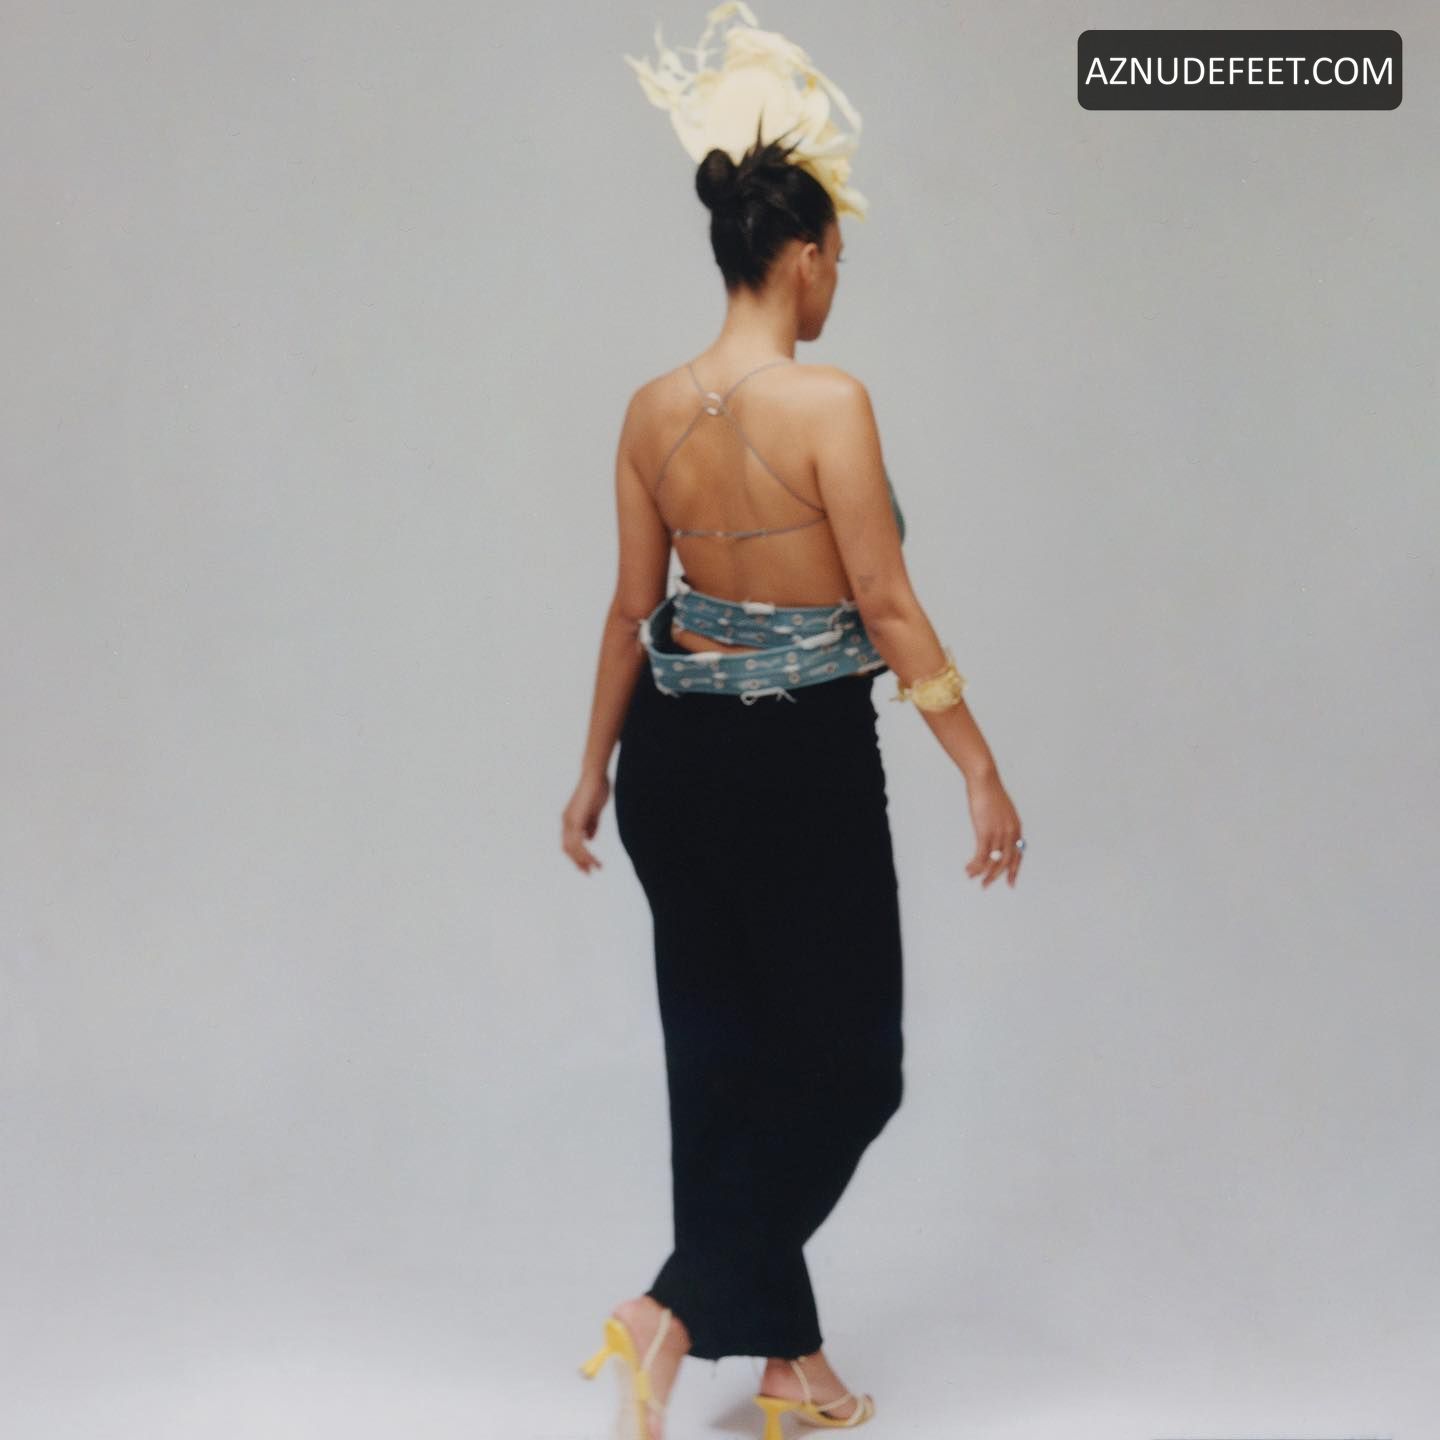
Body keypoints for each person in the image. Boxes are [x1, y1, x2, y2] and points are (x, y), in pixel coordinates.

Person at [563, 7, 1024, 1437]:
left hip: (670, 761)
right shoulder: (831, 402)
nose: (836, 285)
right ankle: (672, 1310)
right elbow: (884, 603)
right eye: (839, 260)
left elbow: (630, 609)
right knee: (851, 1069)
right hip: (797, 760)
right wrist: (979, 766)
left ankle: (789, 1366)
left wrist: (590, 773)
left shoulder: (648, 410)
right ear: (807, 254)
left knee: (721, 1059)